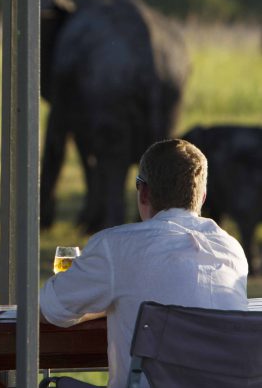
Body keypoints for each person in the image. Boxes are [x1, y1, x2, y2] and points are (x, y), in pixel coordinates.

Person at [40, 138, 248, 388]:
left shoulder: (115, 247)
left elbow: (49, 309)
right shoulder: (231, 250)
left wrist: (103, 306)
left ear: (144, 192)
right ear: (202, 196)